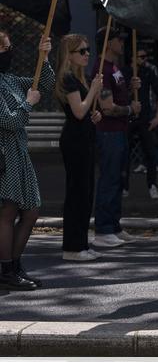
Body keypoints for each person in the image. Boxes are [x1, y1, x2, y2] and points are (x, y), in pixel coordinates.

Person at [0, 31, 53, 289]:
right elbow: (9, 121)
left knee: (30, 211)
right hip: (4, 153)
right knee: (7, 212)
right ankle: (6, 270)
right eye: (5, 49)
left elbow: (41, 84)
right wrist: (28, 104)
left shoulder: (8, 79)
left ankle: (13, 263)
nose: (9, 53)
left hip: (18, 153)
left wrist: (44, 57)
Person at [54, 34, 103, 261]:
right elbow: (78, 111)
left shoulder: (78, 78)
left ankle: (80, 243)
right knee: (77, 193)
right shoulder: (67, 79)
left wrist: (94, 115)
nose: (87, 55)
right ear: (70, 55)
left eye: (88, 50)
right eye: (81, 51)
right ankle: (72, 247)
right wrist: (93, 90)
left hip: (84, 137)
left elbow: (84, 113)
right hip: (75, 141)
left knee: (86, 192)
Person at [91, 27, 141, 249]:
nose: (122, 43)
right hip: (108, 132)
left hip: (119, 131)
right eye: (118, 40)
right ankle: (103, 228)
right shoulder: (102, 69)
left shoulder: (115, 68)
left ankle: (114, 225)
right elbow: (108, 107)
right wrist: (131, 109)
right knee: (109, 179)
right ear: (107, 43)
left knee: (118, 179)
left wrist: (130, 88)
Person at [124, 42, 158, 200]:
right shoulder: (125, 72)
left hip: (145, 118)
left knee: (150, 153)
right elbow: (119, 95)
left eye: (145, 56)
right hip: (128, 117)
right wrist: (130, 87)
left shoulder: (148, 71)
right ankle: (124, 186)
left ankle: (152, 185)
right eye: (141, 57)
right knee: (124, 154)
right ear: (133, 58)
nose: (144, 59)